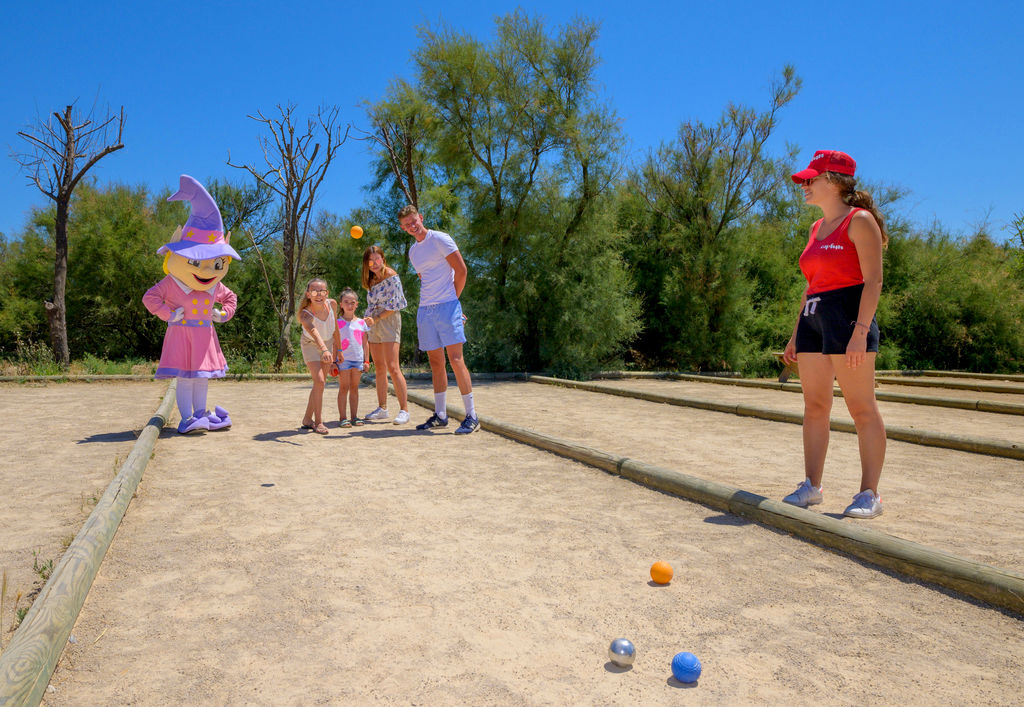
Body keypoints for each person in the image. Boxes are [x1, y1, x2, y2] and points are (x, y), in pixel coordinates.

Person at [782, 150, 888, 518]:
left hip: (848, 318)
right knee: (814, 406)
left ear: (834, 181)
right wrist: (797, 333)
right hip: (813, 318)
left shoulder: (859, 221)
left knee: (861, 409)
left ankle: (869, 494)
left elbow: (873, 280)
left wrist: (860, 332)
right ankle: (812, 486)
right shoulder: (815, 229)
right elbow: (811, 286)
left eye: (811, 179)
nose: (805, 186)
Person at [143, 175, 240, 434]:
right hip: (182, 334)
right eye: (197, 261)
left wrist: (223, 313)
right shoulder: (171, 282)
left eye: (216, 262)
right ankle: (186, 418)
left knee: (202, 378)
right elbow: (149, 297)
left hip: (205, 336)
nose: (208, 269)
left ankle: (200, 414)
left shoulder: (214, 286)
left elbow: (230, 298)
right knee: (185, 378)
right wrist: (167, 314)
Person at [397, 205, 479, 434]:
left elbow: (461, 270)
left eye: (414, 221)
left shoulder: (440, 239)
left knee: (456, 359)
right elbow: (425, 278)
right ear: (404, 229)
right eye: (406, 225)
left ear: (420, 218)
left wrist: (453, 302)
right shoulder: (413, 252)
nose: (412, 226)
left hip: (447, 306)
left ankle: (472, 416)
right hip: (426, 310)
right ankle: (441, 415)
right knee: (436, 363)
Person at [360, 245, 411, 425]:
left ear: (383, 259)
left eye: (377, 259)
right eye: (370, 261)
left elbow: (396, 304)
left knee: (393, 366)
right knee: (380, 368)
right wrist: (368, 319)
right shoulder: (371, 280)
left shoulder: (392, 276)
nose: (374, 264)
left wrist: (378, 318)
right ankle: (382, 408)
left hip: (388, 321)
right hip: (373, 323)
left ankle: (404, 410)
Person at [298, 278, 342, 435]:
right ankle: (318, 422)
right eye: (314, 291)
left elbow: (335, 328)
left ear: (327, 293)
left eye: (322, 291)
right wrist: (324, 350)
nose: (319, 295)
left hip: (328, 344)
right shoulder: (305, 314)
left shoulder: (333, 304)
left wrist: (339, 351)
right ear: (308, 294)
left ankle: (307, 419)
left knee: (319, 384)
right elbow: (314, 332)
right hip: (311, 345)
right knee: (320, 381)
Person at [334, 287, 373, 428]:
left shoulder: (362, 323)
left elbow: (365, 343)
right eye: (346, 302)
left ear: (357, 304)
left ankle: (355, 417)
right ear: (341, 304)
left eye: (352, 302)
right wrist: (334, 361)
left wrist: (367, 360)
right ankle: (343, 417)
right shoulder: (337, 323)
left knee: (355, 388)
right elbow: (334, 343)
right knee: (344, 388)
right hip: (343, 360)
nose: (349, 305)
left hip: (357, 360)